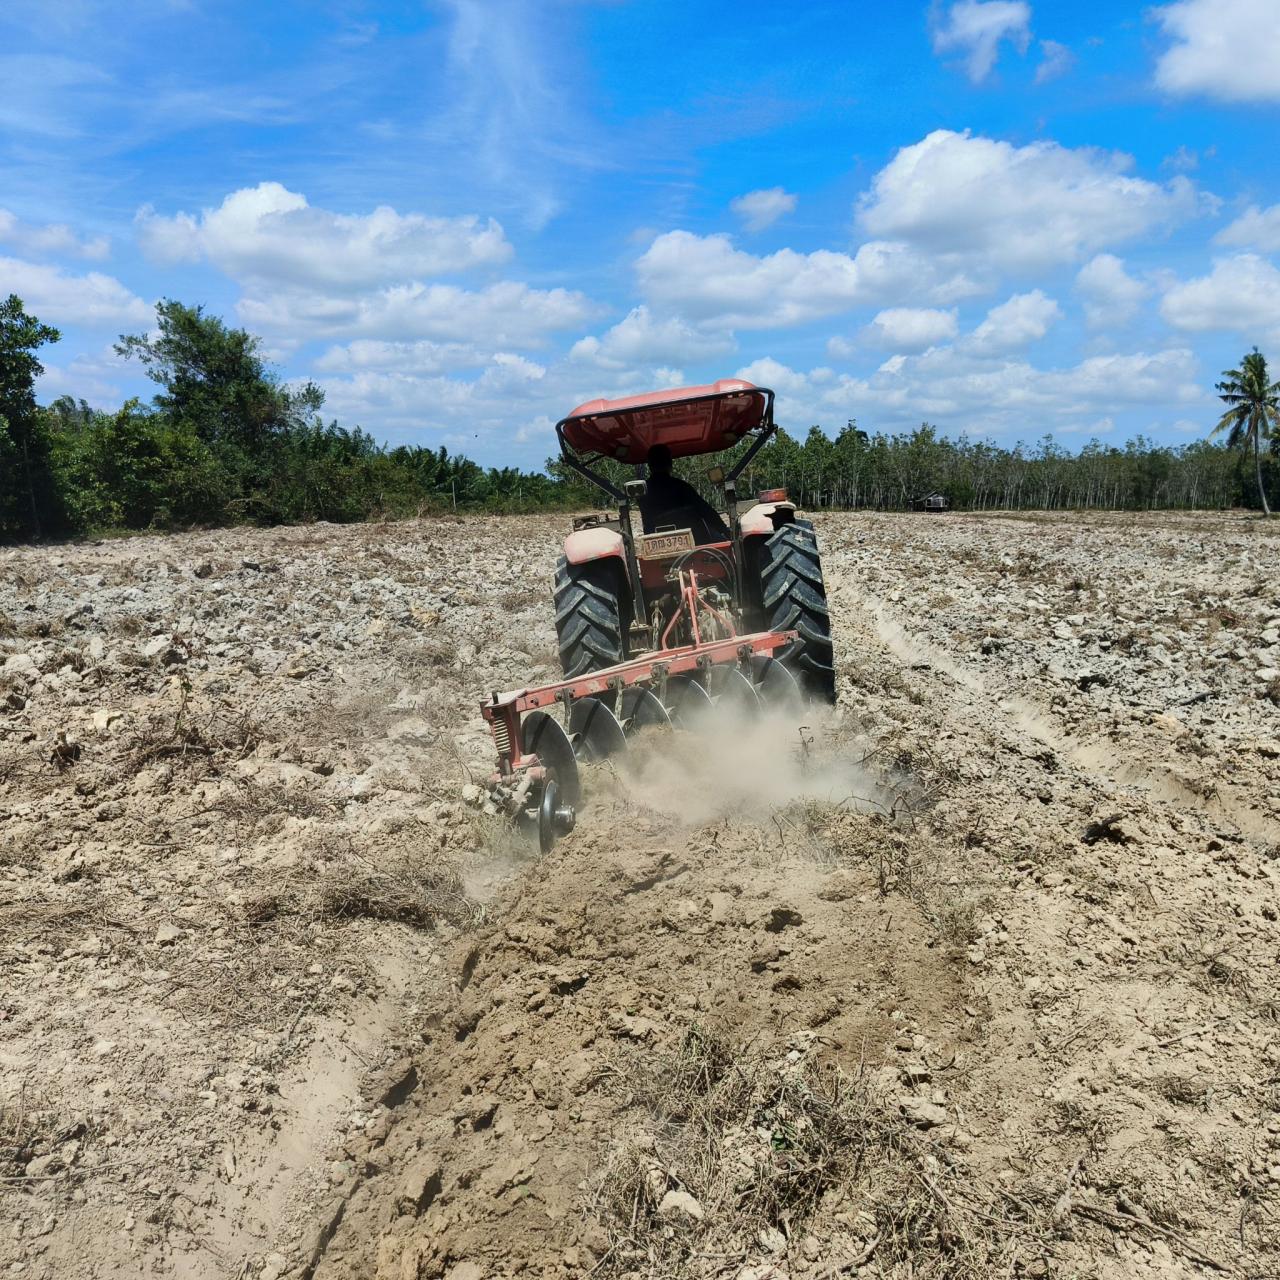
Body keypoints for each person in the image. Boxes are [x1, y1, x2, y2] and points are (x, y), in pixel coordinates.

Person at [639, 444, 731, 543]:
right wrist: (725, 530)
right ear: (670, 463)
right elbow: (706, 511)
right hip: (695, 541)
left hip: (656, 542)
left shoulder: (643, 492)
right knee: (722, 542)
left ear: (649, 465)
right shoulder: (681, 486)